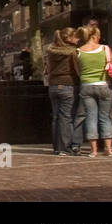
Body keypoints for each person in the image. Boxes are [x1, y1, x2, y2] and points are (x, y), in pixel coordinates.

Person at [76, 26, 112, 157]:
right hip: (103, 84)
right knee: (105, 117)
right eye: (98, 36)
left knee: (91, 117)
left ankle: (93, 150)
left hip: (86, 86)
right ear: (94, 36)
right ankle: (108, 149)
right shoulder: (105, 49)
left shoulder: (79, 51)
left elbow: (77, 70)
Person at [45, 28, 81, 156]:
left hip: (53, 85)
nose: (78, 39)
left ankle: (56, 147)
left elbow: (48, 68)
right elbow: (77, 69)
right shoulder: (72, 52)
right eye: (76, 37)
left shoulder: (51, 51)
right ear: (69, 38)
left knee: (56, 117)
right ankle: (65, 147)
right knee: (66, 117)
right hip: (68, 85)